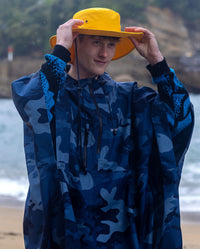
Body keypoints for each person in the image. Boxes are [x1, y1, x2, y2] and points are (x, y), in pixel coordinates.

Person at [12, 7, 194, 249]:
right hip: (64, 230)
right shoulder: (53, 96)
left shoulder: (131, 100)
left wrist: (158, 63)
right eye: (97, 42)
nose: (104, 53)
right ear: (76, 41)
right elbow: (31, 102)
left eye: (111, 44)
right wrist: (61, 51)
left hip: (125, 232)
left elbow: (180, 118)